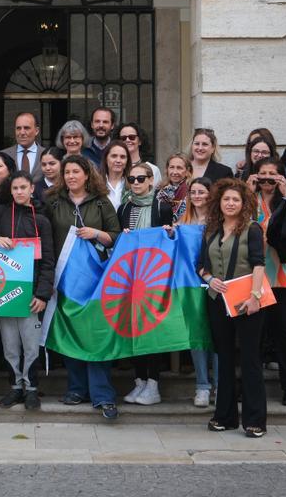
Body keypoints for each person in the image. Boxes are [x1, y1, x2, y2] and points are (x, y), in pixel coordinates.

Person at [44, 154, 120, 420]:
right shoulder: (52, 202)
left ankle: (102, 394)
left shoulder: (101, 203)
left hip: (96, 282)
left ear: (87, 174)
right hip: (64, 279)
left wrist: (95, 233)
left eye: (76, 172)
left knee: (95, 335)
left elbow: (117, 237)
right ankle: (77, 389)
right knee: (71, 333)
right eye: (67, 172)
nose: (71, 176)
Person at [198, 179, 267, 437]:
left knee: (250, 361)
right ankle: (225, 416)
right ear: (219, 202)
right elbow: (201, 266)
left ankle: (255, 420)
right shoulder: (211, 230)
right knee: (224, 360)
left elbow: (259, 264)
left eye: (235, 200)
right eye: (226, 199)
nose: (230, 203)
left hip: (247, 301)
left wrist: (255, 297)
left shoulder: (253, 229)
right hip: (217, 300)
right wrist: (208, 279)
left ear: (244, 203)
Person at [0, 171, 55, 410]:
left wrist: (42, 294)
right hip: (4, 292)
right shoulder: (0, 213)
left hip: (31, 295)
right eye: (15, 188)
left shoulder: (42, 220)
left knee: (30, 344)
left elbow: (48, 260)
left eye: (23, 188)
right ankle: (15, 387)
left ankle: (32, 389)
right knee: (9, 344)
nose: (18, 192)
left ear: (31, 189)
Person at [248, 157, 286, 406]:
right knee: (253, 334)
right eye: (262, 174)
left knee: (283, 334)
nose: (267, 179)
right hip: (253, 276)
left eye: (272, 175)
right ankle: (250, 387)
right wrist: (247, 190)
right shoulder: (247, 200)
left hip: (281, 275)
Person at [118, 162, 178, 407]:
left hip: (155, 278)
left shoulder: (163, 207)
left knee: (151, 330)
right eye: (131, 179)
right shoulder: (124, 207)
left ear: (152, 181)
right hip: (131, 278)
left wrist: (169, 232)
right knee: (134, 330)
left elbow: (174, 236)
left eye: (141, 178)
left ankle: (153, 383)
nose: (136, 183)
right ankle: (140, 380)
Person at [175, 176, 216, 408]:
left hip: (215, 284)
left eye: (202, 192)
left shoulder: (220, 221)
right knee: (197, 337)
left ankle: (220, 385)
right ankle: (202, 386)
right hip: (190, 286)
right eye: (194, 192)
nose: (197, 196)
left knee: (219, 337)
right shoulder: (182, 221)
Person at [153, 152, 191, 226]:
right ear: (167, 169)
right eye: (172, 167)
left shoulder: (191, 191)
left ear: (187, 171)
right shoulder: (159, 191)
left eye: (179, 168)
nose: (175, 172)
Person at [3, 112, 43, 180]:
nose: (22, 132)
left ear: (36, 131)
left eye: (26, 128)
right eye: (18, 128)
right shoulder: (3, 155)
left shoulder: (47, 154)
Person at [98, 140, 132, 210]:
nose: (118, 160)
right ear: (106, 159)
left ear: (127, 161)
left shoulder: (133, 183)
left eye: (122, 157)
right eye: (114, 156)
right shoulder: (96, 184)